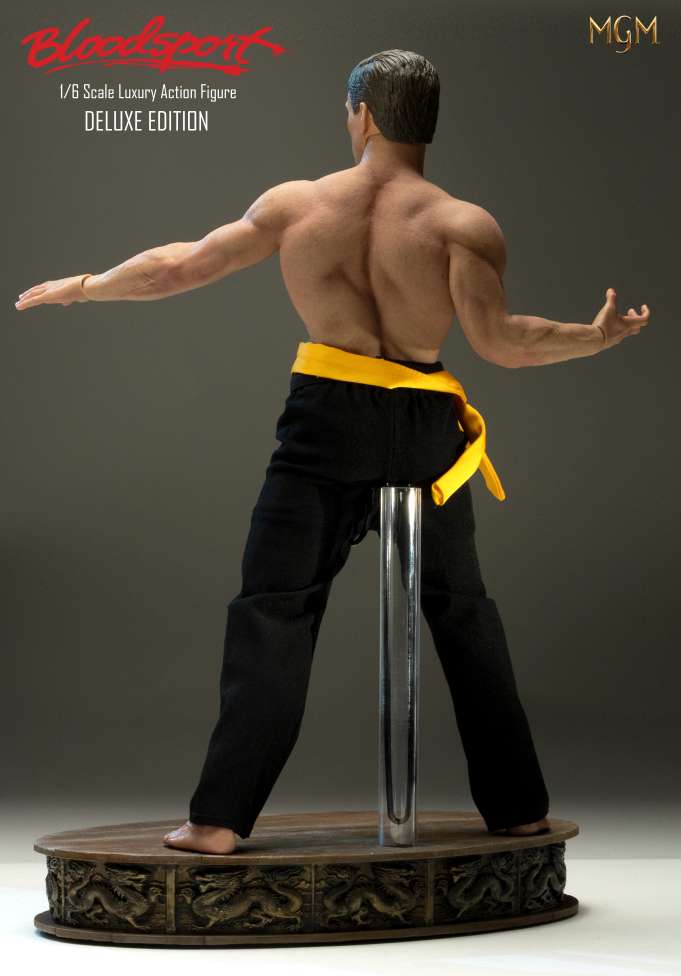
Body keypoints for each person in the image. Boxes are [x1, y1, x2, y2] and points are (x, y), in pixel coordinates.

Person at [15, 50, 649, 856]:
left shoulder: (298, 204)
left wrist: (84, 285)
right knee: (462, 612)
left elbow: (178, 266)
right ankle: (518, 810)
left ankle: (218, 821)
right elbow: (502, 343)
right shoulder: (461, 224)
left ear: (364, 115)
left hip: (326, 423)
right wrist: (591, 338)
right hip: (425, 427)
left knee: (274, 607)